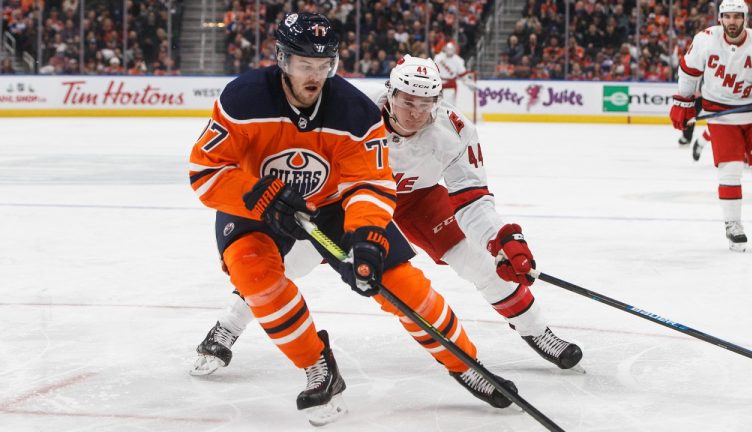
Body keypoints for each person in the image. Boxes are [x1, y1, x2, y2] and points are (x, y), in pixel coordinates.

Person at [188, 12, 518, 426]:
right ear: (282, 60)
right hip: (256, 202)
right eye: (305, 65)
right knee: (255, 277)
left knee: (399, 282)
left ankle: (466, 363)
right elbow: (205, 170)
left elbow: (373, 182)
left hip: (331, 206)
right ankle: (317, 366)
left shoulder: (355, 111)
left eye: (323, 66)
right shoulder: (243, 98)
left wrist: (365, 233)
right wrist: (259, 195)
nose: (314, 75)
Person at [191, 54, 583, 381]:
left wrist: (503, 240)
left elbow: (473, 199)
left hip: (419, 199)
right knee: (291, 263)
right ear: (390, 94)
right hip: (351, 200)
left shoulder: (457, 131)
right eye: (406, 101)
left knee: (479, 263)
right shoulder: (357, 112)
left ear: (439, 101)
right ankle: (229, 325)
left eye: (425, 103)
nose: (415, 113)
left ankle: (539, 331)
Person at [670, 0, 752, 252]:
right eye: (728, 17)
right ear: (720, 18)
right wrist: (683, 100)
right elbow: (689, 71)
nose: (732, 22)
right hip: (721, 115)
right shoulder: (705, 40)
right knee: (731, 170)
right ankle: (733, 224)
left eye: (737, 16)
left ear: (745, 18)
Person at [433, 42, 472, 106]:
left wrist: (468, 82)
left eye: (451, 49)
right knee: (436, 105)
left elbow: (462, 74)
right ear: (445, 49)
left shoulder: (458, 60)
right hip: (438, 84)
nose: (449, 51)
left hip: (450, 85)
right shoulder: (438, 58)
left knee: (449, 105)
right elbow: (433, 70)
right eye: (448, 49)